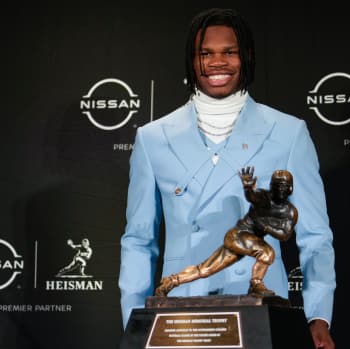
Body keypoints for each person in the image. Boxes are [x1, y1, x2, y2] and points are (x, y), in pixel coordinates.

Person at [119, 8, 336, 348]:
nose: (217, 62)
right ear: (192, 60)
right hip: (179, 318)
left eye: (229, 52)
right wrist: (134, 321)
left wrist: (318, 315)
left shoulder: (289, 133)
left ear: (246, 55)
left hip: (261, 314)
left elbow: (315, 237)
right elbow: (138, 240)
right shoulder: (152, 138)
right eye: (205, 53)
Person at [154, 166, 298, 297]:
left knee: (205, 270)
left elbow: (284, 234)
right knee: (267, 253)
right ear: (271, 186)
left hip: (246, 243)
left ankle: (171, 281)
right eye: (276, 186)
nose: (280, 189)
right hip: (238, 236)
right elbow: (253, 197)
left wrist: (265, 227)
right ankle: (256, 284)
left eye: (283, 186)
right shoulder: (264, 197)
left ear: (290, 189)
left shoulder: (290, 212)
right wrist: (248, 189)